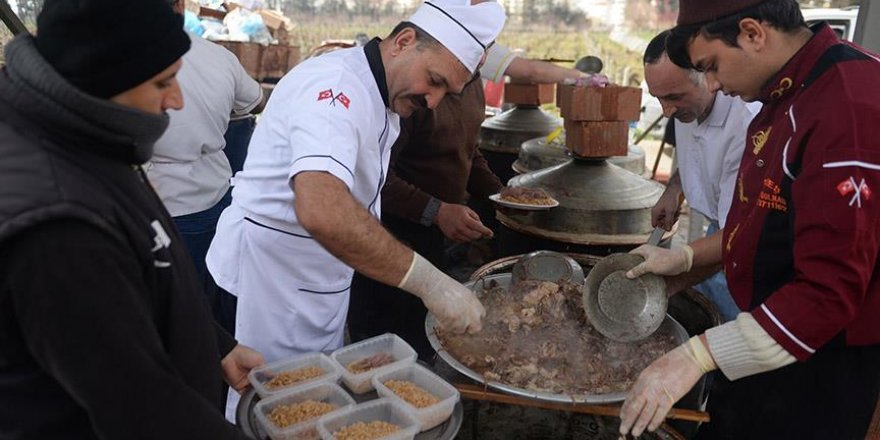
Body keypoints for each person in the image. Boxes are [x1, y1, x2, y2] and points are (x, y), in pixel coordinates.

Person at [205, 0, 506, 418]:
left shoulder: (385, 95)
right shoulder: (335, 90)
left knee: (311, 408)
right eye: (433, 80)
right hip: (269, 286)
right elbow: (322, 209)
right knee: (267, 413)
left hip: (317, 283)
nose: (433, 101)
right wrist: (430, 283)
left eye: (446, 92)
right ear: (404, 41)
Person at [0, 0, 264, 438]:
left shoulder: (83, 131)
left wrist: (215, 346)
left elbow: (133, 290)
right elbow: (140, 407)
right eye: (164, 81)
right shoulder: (59, 226)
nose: (177, 99)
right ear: (104, 76)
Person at [618, 0, 880, 438]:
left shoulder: (846, 106)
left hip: (820, 352)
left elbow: (827, 296)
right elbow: (761, 222)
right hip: (764, 325)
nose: (714, 85)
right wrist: (683, 262)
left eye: (713, 66)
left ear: (753, 33)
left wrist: (696, 356)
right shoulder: (787, 91)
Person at [349, 43, 587, 362]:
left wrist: (501, 195)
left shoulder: (473, 85)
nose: (483, 56)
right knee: (384, 338)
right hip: (392, 234)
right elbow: (376, 177)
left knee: (423, 334)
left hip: (437, 232)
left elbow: (469, 154)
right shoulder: (417, 89)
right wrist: (436, 211)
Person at [146, 0, 264, 333]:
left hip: (161, 204)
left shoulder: (118, 59)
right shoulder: (216, 56)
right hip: (216, 197)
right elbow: (254, 101)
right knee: (215, 296)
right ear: (181, 6)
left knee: (170, 307)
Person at [643, 30, 761, 322]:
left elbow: (738, 237)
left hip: (745, 247)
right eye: (658, 98)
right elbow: (697, 155)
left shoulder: (747, 125)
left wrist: (679, 270)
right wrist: (673, 191)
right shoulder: (688, 108)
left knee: (727, 330)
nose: (667, 111)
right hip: (718, 231)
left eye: (674, 97)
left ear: (709, 78)